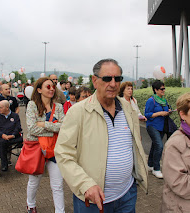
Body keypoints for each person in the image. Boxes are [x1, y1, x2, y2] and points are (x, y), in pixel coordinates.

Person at [55, 59, 148, 212]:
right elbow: (63, 153)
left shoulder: (128, 108)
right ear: (95, 80)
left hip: (127, 194)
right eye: (107, 78)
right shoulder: (78, 112)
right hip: (92, 201)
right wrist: (85, 184)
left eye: (117, 79)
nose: (113, 83)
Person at [26, 77, 65, 213]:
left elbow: (63, 126)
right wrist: (53, 126)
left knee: (58, 184)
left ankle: (60, 211)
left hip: (54, 149)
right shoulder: (32, 105)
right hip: (37, 149)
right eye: (48, 86)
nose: (52, 89)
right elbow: (31, 129)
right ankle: (31, 204)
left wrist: (43, 124)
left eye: (53, 86)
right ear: (39, 90)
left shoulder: (58, 107)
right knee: (34, 181)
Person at [144, 80, 171, 179]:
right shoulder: (151, 100)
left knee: (155, 145)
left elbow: (166, 110)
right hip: (152, 126)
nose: (163, 90)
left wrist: (168, 112)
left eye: (164, 88)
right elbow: (147, 114)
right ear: (155, 90)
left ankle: (150, 165)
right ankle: (156, 169)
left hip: (162, 126)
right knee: (159, 146)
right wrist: (160, 113)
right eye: (161, 89)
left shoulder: (164, 100)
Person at [0, 100, 23, 171]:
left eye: (1, 107)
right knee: (2, 143)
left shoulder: (15, 116)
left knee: (22, 141)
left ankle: (22, 163)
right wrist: (2, 135)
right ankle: (4, 164)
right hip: (2, 138)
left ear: (7, 108)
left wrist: (13, 135)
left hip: (13, 137)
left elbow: (18, 127)